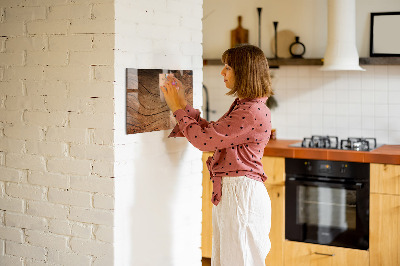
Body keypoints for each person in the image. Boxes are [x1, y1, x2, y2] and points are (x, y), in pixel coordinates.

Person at [161, 44, 273, 266]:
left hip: (241, 195)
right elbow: (212, 133)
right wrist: (183, 104)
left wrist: (176, 108)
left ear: (244, 72)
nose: (222, 72)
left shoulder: (250, 111)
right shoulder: (246, 106)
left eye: (228, 67)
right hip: (236, 193)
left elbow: (204, 141)